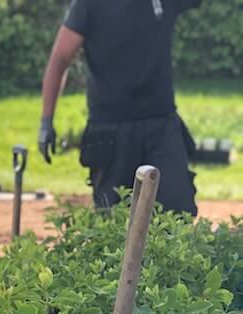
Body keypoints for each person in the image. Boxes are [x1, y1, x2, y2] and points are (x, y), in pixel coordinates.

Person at [37, 0, 200, 215]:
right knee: (112, 219)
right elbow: (60, 58)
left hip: (161, 124)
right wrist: (46, 121)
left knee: (178, 213)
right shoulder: (89, 5)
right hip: (110, 128)